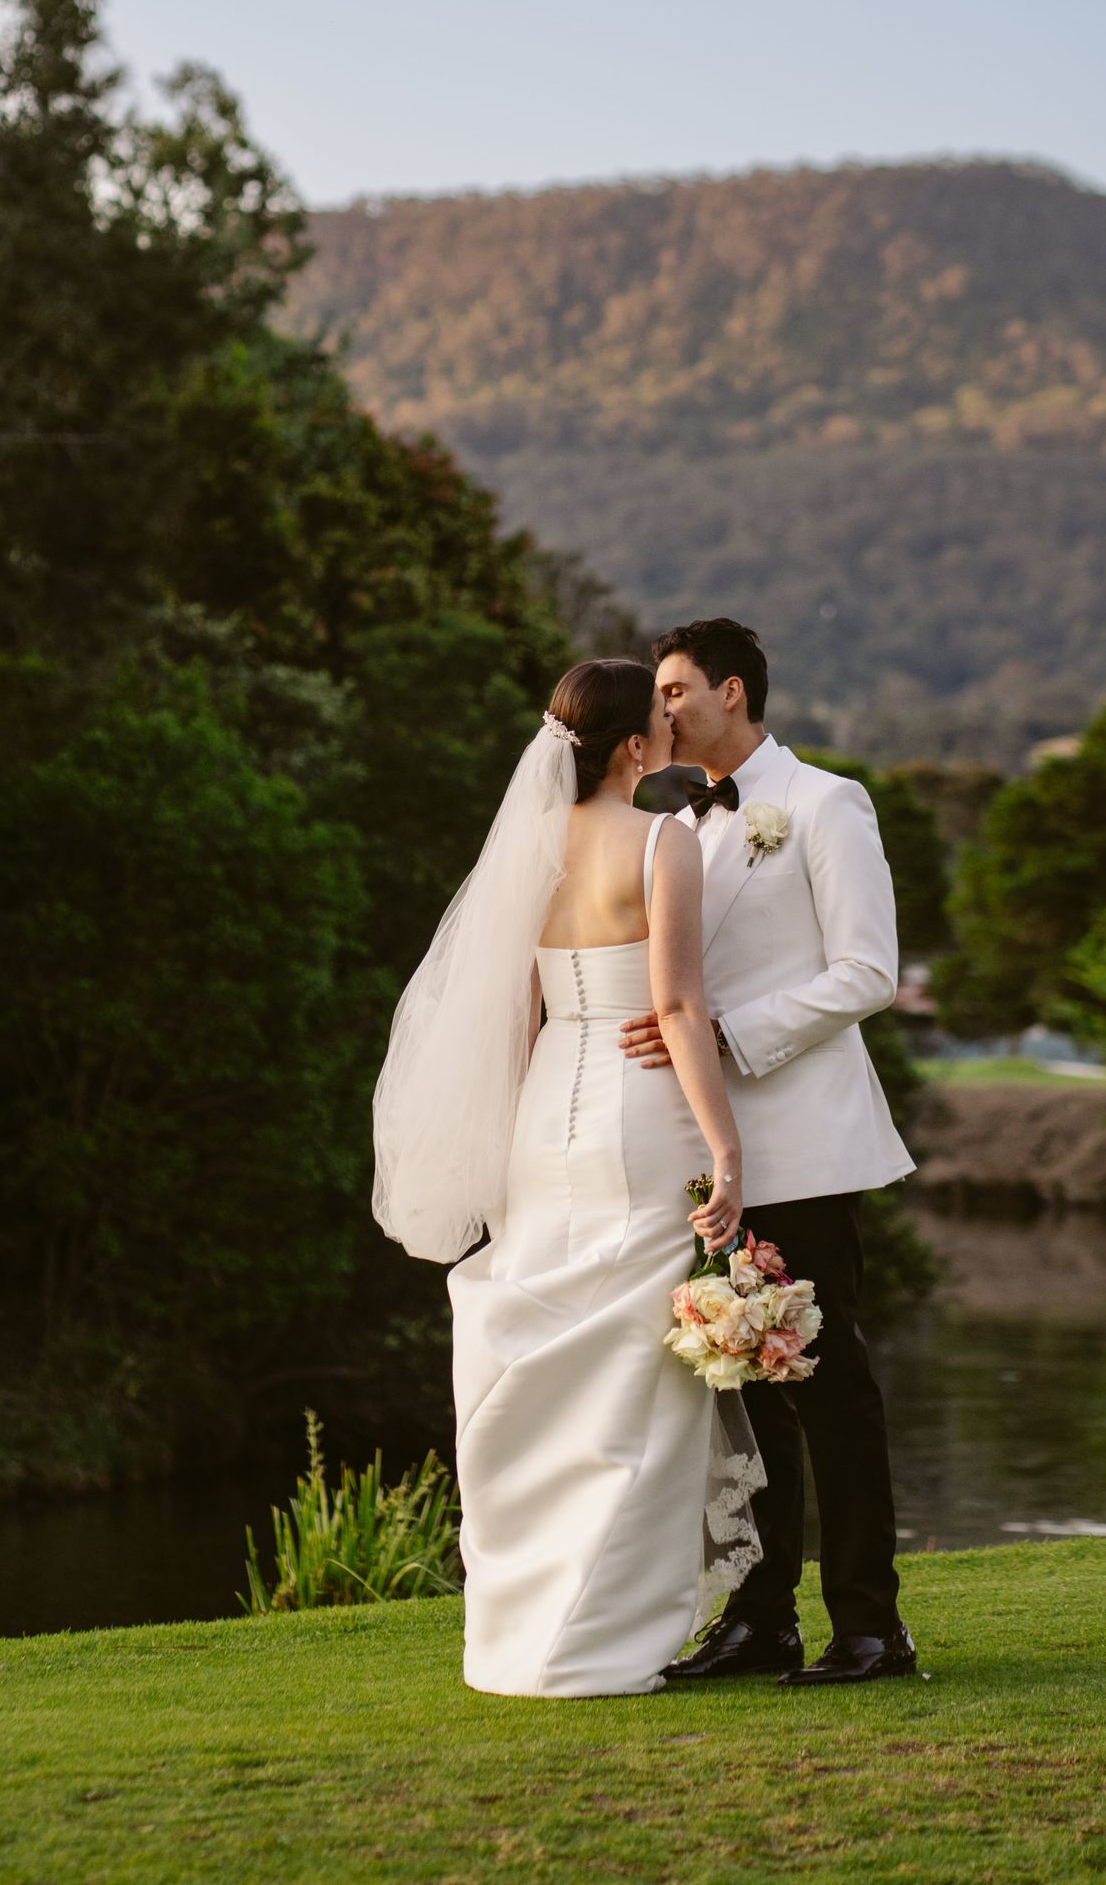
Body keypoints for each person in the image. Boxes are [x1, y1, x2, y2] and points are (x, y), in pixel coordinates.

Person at [371, 657, 763, 1697]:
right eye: (662, 722)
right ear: (635, 746)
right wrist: (727, 1153)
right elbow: (677, 1011)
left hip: (546, 1115)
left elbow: (515, 1011)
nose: (675, 731)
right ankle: (598, 1638)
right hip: (639, 1119)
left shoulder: (533, 843)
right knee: (635, 1382)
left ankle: (520, 1636)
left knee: (550, 1365)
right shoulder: (663, 840)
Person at [620, 616, 919, 1688]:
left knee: (830, 1391)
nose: (659, 710)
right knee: (732, 1387)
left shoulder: (827, 803)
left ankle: (871, 1629)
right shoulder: (675, 826)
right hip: (701, 1154)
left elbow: (868, 972)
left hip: (804, 1146)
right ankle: (760, 1620)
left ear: (732, 692)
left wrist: (727, 1034)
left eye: (673, 689)